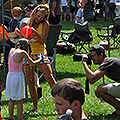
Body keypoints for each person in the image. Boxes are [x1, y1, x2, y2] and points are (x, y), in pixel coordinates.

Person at [20, 4, 57, 113]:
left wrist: (34, 32)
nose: (39, 19)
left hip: (40, 53)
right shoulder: (24, 23)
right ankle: (35, 106)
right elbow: (22, 41)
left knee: (49, 77)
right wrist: (26, 36)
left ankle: (61, 100)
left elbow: (43, 40)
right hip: (28, 54)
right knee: (30, 81)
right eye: (38, 16)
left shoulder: (45, 24)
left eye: (42, 17)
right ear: (34, 13)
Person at [5, 38, 42, 120]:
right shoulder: (23, 53)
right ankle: (20, 118)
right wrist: (39, 58)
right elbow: (33, 63)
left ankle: (10, 117)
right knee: (19, 100)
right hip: (17, 76)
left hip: (10, 75)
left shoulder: (11, 50)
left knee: (12, 99)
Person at [82, 44, 120, 118]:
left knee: (100, 90)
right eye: (91, 56)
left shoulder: (107, 62)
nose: (92, 58)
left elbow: (92, 78)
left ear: (101, 55)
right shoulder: (107, 62)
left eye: (93, 56)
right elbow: (92, 81)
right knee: (97, 92)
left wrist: (84, 62)